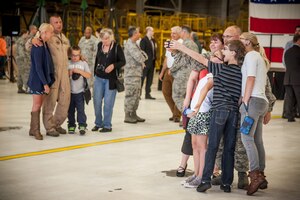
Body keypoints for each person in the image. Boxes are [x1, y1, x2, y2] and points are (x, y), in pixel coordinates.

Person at [169, 39, 246, 193]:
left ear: (233, 53)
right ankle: (226, 183)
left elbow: (200, 58)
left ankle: (205, 181)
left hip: (219, 111)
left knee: (212, 147)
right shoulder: (241, 71)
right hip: (234, 113)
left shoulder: (220, 69)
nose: (223, 52)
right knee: (229, 149)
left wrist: (181, 47)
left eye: (226, 50)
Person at [239, 32, 270, 195]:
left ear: (248, 42)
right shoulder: (259, 57)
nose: (239, 42)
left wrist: (245, 101)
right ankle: (261, 174)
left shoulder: (251, 55)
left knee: (246, 137)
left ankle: (255, 175)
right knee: (257, 140)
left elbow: (250, 79)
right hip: (261, 102)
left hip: (253, 101)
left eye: (241, 40)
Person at [32, 14, 71, 137]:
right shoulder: (47, 36)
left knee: (65, 100)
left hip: (64, 73)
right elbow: (31, 44)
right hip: (53, 74)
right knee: (50, 102)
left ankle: (57, 124)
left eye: (60, 22)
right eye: (56, 22)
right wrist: (32, 39)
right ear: (50, 25)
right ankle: (49, 127)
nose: (59, 24)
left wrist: (80, 56)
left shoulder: (64, 38)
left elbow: (69, 52)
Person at [169, 25, 199, 177]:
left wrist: (172, 68)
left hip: (184, 75)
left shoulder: (188, 43)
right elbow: (179, 57)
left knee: (179, 97)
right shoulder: (186, 43)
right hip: (184, 74)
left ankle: (187, 115)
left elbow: (183, 60)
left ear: (184, 32)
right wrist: (174, 53)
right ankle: (186, 115)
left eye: (178, 32)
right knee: (179, 98)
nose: (176, 34)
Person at [92, 28, 126, 132]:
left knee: (108, 103)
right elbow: (97, 59)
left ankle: (107, 125)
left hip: (110, 80)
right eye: (102, 38)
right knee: (96, 102)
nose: (104, 41)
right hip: (98, 78)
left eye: (106, 38)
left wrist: (113, 65)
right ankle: (98, 123)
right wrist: (95, 72)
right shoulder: (99, 45)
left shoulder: (116, 47)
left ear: (111, 37)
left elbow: (123, 61)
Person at [27, 23, 55, 140]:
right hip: (38, 80)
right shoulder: (37, 45)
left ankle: (32, 129)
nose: (52, 34)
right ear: (44, 32)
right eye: (50, 32)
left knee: (39, 104)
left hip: (42, 79)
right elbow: (38, 67)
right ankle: (36, 130)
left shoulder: (44, 43)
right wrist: (45, 84)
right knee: (37, 105)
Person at [123, 26, 148, 123]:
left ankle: (133, 113)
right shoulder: (130, 44)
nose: (139, 34)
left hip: (136, 74)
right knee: (131, 94)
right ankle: (127, 115)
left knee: (137, 95)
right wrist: (143, 58)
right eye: (138, 32)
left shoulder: (135, 44)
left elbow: (144, 55)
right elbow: (140, 57)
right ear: (134, 34)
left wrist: (143, 57)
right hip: (131, 75)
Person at [159, 26, 182, 123]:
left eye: (174, 33)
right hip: (168, 71)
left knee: (177, 93)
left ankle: (177, 115)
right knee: (166, 91)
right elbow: (166, 59)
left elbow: (181, 59)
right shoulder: (170, 42)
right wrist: (162, 72)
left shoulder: (181, 43)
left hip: (177, 71)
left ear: (180, 34)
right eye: (171, 33)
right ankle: (175, 112)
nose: (172, 35)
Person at [67, 46, 91, 135]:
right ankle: (71, 125)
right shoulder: (68, 63)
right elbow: (63, 76)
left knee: (81, 110)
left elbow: (88, 75)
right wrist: (69, 73)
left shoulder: (83, 63)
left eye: (77, 55)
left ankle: (82, 125)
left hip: (80, 92)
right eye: (73, 55)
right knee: (70, 110)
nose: (74, 57)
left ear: (80, 54)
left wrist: (79, 71)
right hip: (70, 92)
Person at [282, 25, 300, 119]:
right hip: (297, 78)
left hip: (287, 77)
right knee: (298, 97)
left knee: (289, 98)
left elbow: (284, 61)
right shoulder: (298, 51)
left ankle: (289, 116)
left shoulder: (288, 51)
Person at [140, 26, 157, 100]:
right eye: (152, 31)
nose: (153, 32)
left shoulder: (153, 41)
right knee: (142, 79)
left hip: (152, 63)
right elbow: (141, 52)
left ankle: (147, 94)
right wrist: (142, 62)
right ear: (148, 31)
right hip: (145, 63)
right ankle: (138, 95)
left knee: (150, 79)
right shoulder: (143, 40)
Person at [15, 29, 30, 93]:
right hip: (23, 60)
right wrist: (26, 58)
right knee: (25, 73)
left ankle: (20, 88)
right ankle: (27, 88)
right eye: (27, 33)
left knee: (20, 74)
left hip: (20, 60)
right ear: (24, 33)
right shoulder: (21, 41)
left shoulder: (19, 40)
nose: (28, 35)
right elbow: (21, 52)